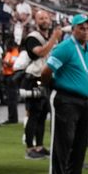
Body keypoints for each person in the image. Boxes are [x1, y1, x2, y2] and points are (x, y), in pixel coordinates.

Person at [41, 14, 88, 174]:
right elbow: (46, 71)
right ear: (73, 29)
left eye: (87, 28)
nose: (85, 30)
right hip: (66, 99)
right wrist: (49, 88)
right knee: (63, 142)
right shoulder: (65, 47)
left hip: (86, 100)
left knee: (80, 144)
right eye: (81, 27)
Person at [22, 10, 62, 160]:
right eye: (41, 18)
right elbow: (41, 52)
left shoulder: (50, 38)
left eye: (46, 17)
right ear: (36, 21)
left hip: (47, 78)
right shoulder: (33, 37)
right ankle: (29, 148)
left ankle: (39, 145)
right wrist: (54, 39)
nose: (44, 20)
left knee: (43, 113)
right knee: (33, 114)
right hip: (34, 78)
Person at [1, 39, 19, 125]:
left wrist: (4, 63)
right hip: (6, 76)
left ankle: (13, 118)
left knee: (12, 98)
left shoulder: (15, 52)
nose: (7, 47)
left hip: (12, 76)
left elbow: (13, 65)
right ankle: (11, 117)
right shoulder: (8, 53)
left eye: (8, 45)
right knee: (9, 98)